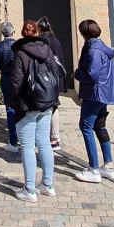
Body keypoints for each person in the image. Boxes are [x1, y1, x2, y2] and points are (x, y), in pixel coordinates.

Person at [5, 20, 56, 204]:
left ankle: (29, 189)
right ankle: (48, 185)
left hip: (27, 105)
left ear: (23, 33)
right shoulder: (47, 49)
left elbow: (16, 83)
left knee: (27, 146)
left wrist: (12, 100)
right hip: (47, 102)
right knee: (44, 144)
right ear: (36, 32)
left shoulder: (20, 53)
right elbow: (57, 73)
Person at [72, 19, 114, 183]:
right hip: (102, 93)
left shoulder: (94, 51)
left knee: (86, 126)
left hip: (95, 94)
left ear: (84, 33)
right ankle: (108, 165)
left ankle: (94, 169)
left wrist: (77, 75)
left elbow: (92, 74)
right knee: (99, 126)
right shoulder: (101, 47)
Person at [36, 18, 65, 151]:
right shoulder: (56, 41)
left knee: (49, 107)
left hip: (46, 78)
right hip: (55, 78)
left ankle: (53, 138)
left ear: (40, 29)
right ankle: (55, 137)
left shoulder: (43, 41)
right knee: (54, 106)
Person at [0, 21, 18, 153]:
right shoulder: (18, 45)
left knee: (10, 109)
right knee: (21, 108)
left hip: (6, 78)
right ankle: (24, 138)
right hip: (19, 78)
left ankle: (13, 141)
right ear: (13, 32)